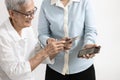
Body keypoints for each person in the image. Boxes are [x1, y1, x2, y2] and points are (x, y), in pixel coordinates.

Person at [0, 0, 66, 80]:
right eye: (28, 13)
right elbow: (15, 73)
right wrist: (45, 52)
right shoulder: (2, 36)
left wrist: (57, 47)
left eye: (33, 11)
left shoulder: (27, 28)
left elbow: (36, 53)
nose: (32, 17)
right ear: (12, 14)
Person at [38, 0, 98, 80]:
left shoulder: (84, 2)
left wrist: (88, 44)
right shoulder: (46, 3)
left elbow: (90, 30)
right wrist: (49, 41)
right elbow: (42, 33)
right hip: (55, 69)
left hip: (83, 69)